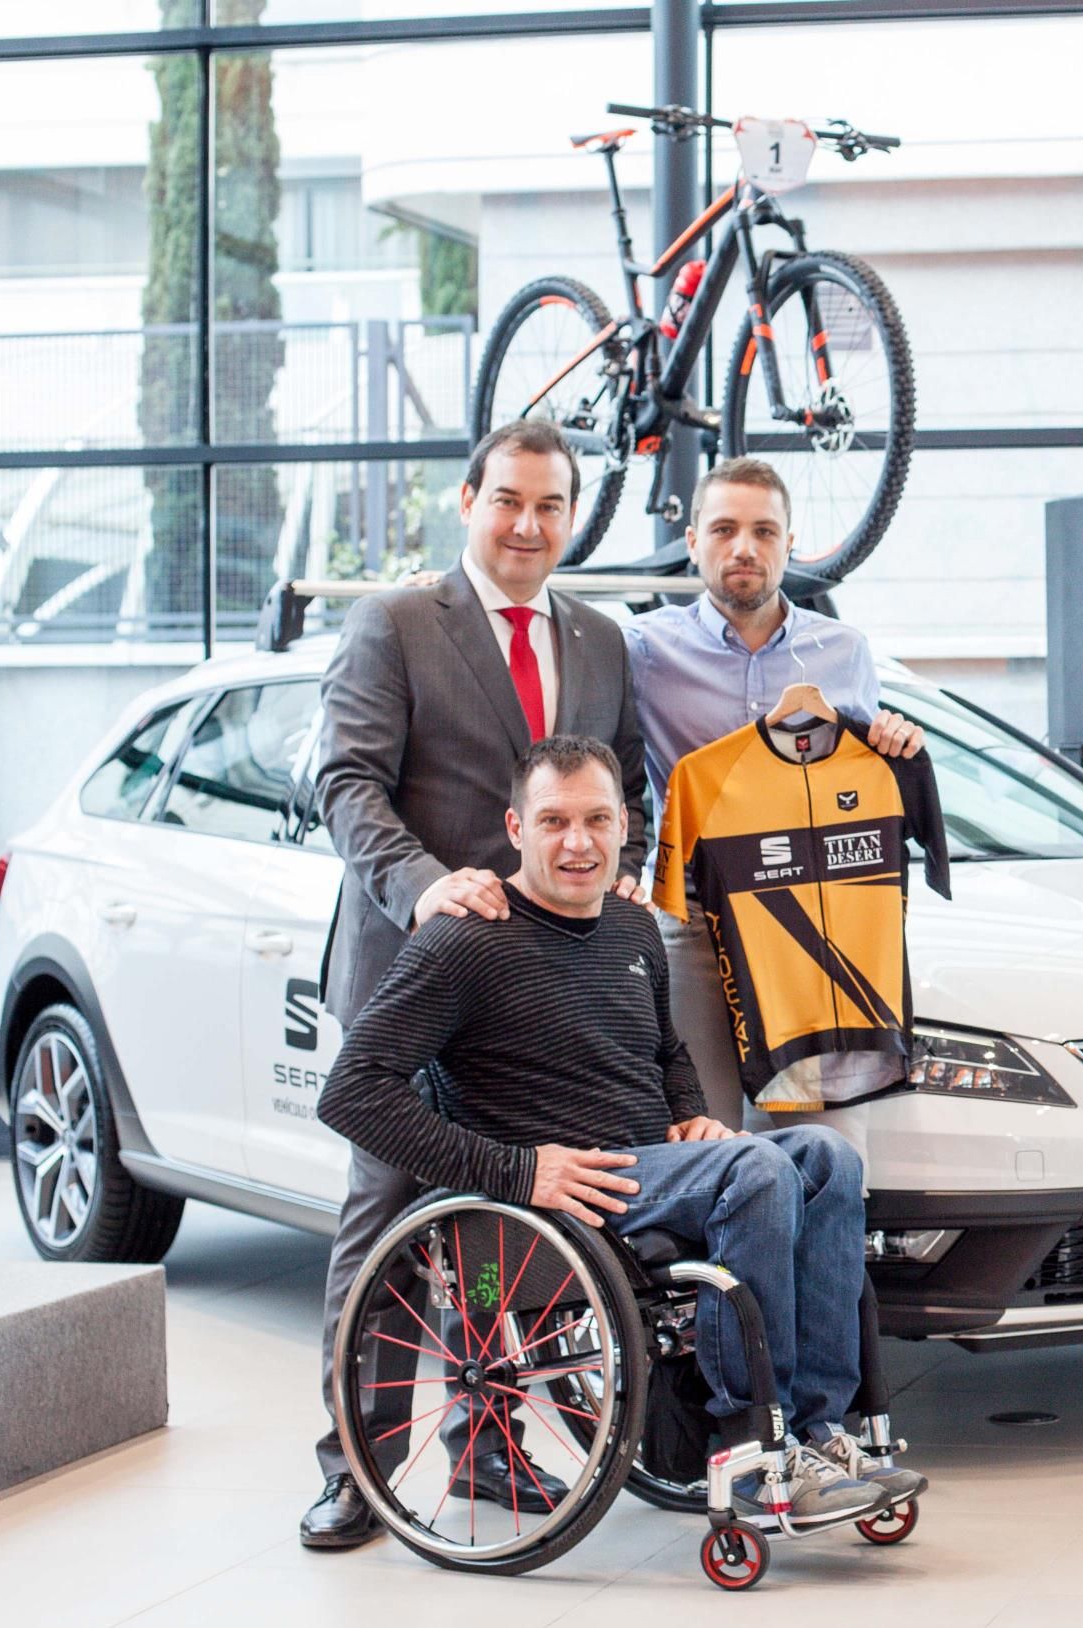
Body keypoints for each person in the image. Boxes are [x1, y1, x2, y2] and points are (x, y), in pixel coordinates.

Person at [317, 736, 920, 1522]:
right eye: (554, 821)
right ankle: (751, 1445)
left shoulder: (632, 929)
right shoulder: (463, 940)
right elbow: (351, 1094)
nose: (579, 843)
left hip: (648, 1172)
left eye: (597, 820)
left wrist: (690, 1112)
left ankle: (817, 1431)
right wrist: (517, 1171)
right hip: (555, 1201)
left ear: (624, 827)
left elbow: (665, 1050)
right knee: (759, 1170)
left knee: (828, 1158)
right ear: (515, 828)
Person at [301, 419, 651, 1548]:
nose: (528, 525)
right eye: (508, 500)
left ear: (572, 516)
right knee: (391, 1213)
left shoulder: (600, 639)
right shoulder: (397, 623)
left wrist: (625, 877)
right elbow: (347, 782)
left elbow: (628, 788)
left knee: (517, 1229)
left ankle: (488, 1448)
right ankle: (357, 1465)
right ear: (468, 501)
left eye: (550, 505)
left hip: (549, 993)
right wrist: (423, 885)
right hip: (423, 976)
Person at [623, 457, 925, 1125]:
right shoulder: (642, 649)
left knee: (825, 1140)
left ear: (789, 543)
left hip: (813, 924)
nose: (744, 548)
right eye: (724, 529)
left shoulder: (845, 651)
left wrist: (896, 740)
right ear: (692, 540)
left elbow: (862, 775)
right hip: (694, 925)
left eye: (764, 531)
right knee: (702, 1136)